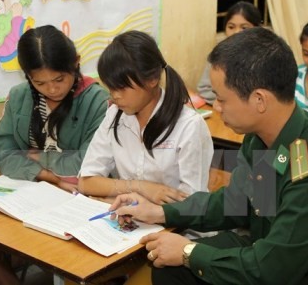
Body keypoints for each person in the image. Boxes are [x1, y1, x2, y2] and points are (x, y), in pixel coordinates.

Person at [110, 27, 308, 285]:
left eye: (221, 99)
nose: (217, 108)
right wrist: (160, 212)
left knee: (186, 259)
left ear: (259, 100)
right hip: (270, 248)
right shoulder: (261, 138)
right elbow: (237, 203)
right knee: (168, 267)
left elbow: (272, 270)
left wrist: (189, 252)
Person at [0, 25, 109, 285]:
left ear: (76, 64)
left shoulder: (97, 100)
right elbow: (4, 152)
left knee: (50, 239)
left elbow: (84, 161)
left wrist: (38, 157)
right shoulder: (19, 97)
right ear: (27, 76)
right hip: (35, 188)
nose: (51, 89)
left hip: (80, 195)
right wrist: (47, 175)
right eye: (39, 82)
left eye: (60, 79)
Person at [78, 30, 213, 204]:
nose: (114, 96)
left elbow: (191, 203)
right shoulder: (115, 115)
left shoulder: (189, 125)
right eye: (111, 88)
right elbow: (87, 182)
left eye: (122, 88)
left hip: (179, 228)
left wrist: (137, 202)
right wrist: (139, 187)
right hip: (130, 222)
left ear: (152, 79)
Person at [197, 1, 262, 105]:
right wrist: (228, 102)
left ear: (257, 29)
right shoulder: (218, 55)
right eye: (231, 27)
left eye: (244, 28)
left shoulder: (265, 56)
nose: (236, 32)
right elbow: (204, 88)